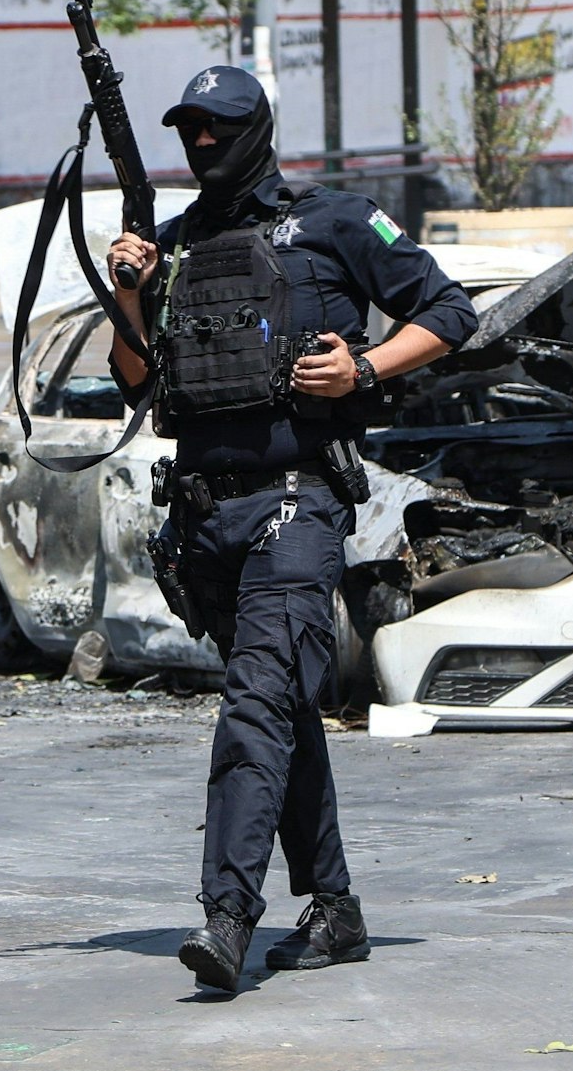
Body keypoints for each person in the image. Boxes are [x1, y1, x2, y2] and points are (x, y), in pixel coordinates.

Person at [106, 65, 476, 994]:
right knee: (280, 714)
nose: (199, 144)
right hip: (203, 520)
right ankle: (337, 909)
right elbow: (134, 381)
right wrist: (130, 291)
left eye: (215, 128)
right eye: (186, 128)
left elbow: (451, 310)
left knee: (255, 710)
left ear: (255, 129)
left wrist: (367, 370)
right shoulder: (177, 247)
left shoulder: (338, 222)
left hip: (295, 507)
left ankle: (226, 916)